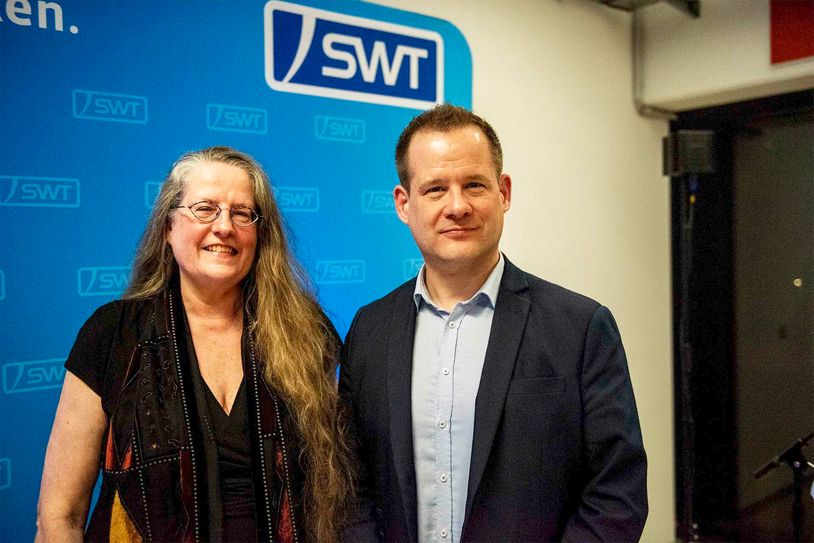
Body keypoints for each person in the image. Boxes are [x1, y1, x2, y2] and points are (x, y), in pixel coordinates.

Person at [339, 105, 648, 542]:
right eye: (435, 189)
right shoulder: (369, 330)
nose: (457, 206)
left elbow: (617, 494)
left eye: (474, 185)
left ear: (503, 193)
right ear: (404, 204)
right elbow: (349, 485)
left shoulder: (580, 328)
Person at [36, 146, 355, 542]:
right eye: (205, 209)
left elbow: (339, 494)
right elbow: (60, 516)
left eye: (242, 213)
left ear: (260, 234)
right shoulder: (113, 334)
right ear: (168, 228)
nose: (224, 227)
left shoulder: (306, 333)